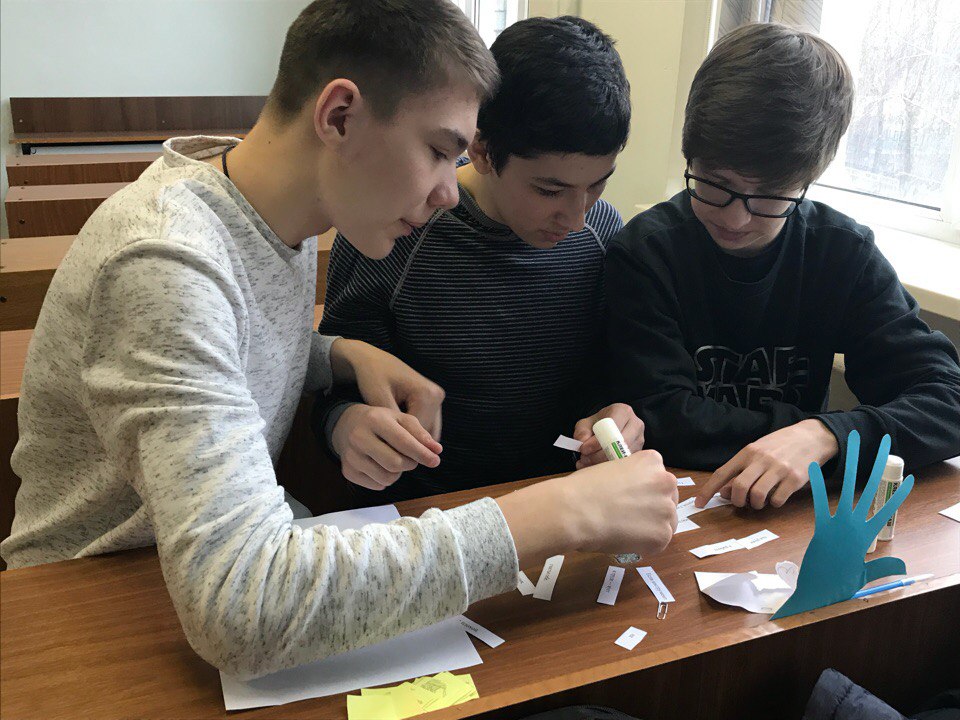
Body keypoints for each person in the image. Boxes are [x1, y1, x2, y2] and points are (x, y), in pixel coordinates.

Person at [1, 1, 678, 679]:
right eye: (439, 151)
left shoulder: (273, 222)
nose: (451, 193)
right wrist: (557, 515)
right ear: (341, 117)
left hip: (178, 587)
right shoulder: (163, 259)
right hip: (87, 615)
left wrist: (334, 356)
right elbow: (241, 609)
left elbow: (221, 349)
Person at [605, 22, 960, 512]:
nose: (736, 218)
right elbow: (663, 417)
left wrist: (826, 435)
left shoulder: (842, 251)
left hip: (792, 511)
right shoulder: (647, 253)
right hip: (675, 503)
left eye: (770, 195)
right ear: (691, 156)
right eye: (715, 183)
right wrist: (802, 431)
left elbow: (948, 400)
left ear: (808, 180)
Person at [315, 16, 644, 502]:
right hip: (429, 513)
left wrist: (620, 415)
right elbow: (330, 385)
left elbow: (608, 378)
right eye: (549, 190)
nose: (576, 218)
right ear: (483, 150)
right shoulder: (395, 231)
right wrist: (345, 425)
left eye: (597, 185)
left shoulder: (602, 233)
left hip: (563, 505)